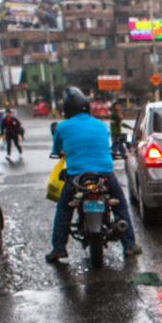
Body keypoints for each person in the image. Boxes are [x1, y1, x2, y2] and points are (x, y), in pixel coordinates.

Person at [45, 86, 141, 262]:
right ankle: (129, 245)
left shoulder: (62, 127)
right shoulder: (101, 125)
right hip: (105, 174)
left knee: (64, 209)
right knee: (120, 205)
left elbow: (57, 150)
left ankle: (59, 248)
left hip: (76, 176)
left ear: (66, 109)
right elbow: (107, 146)